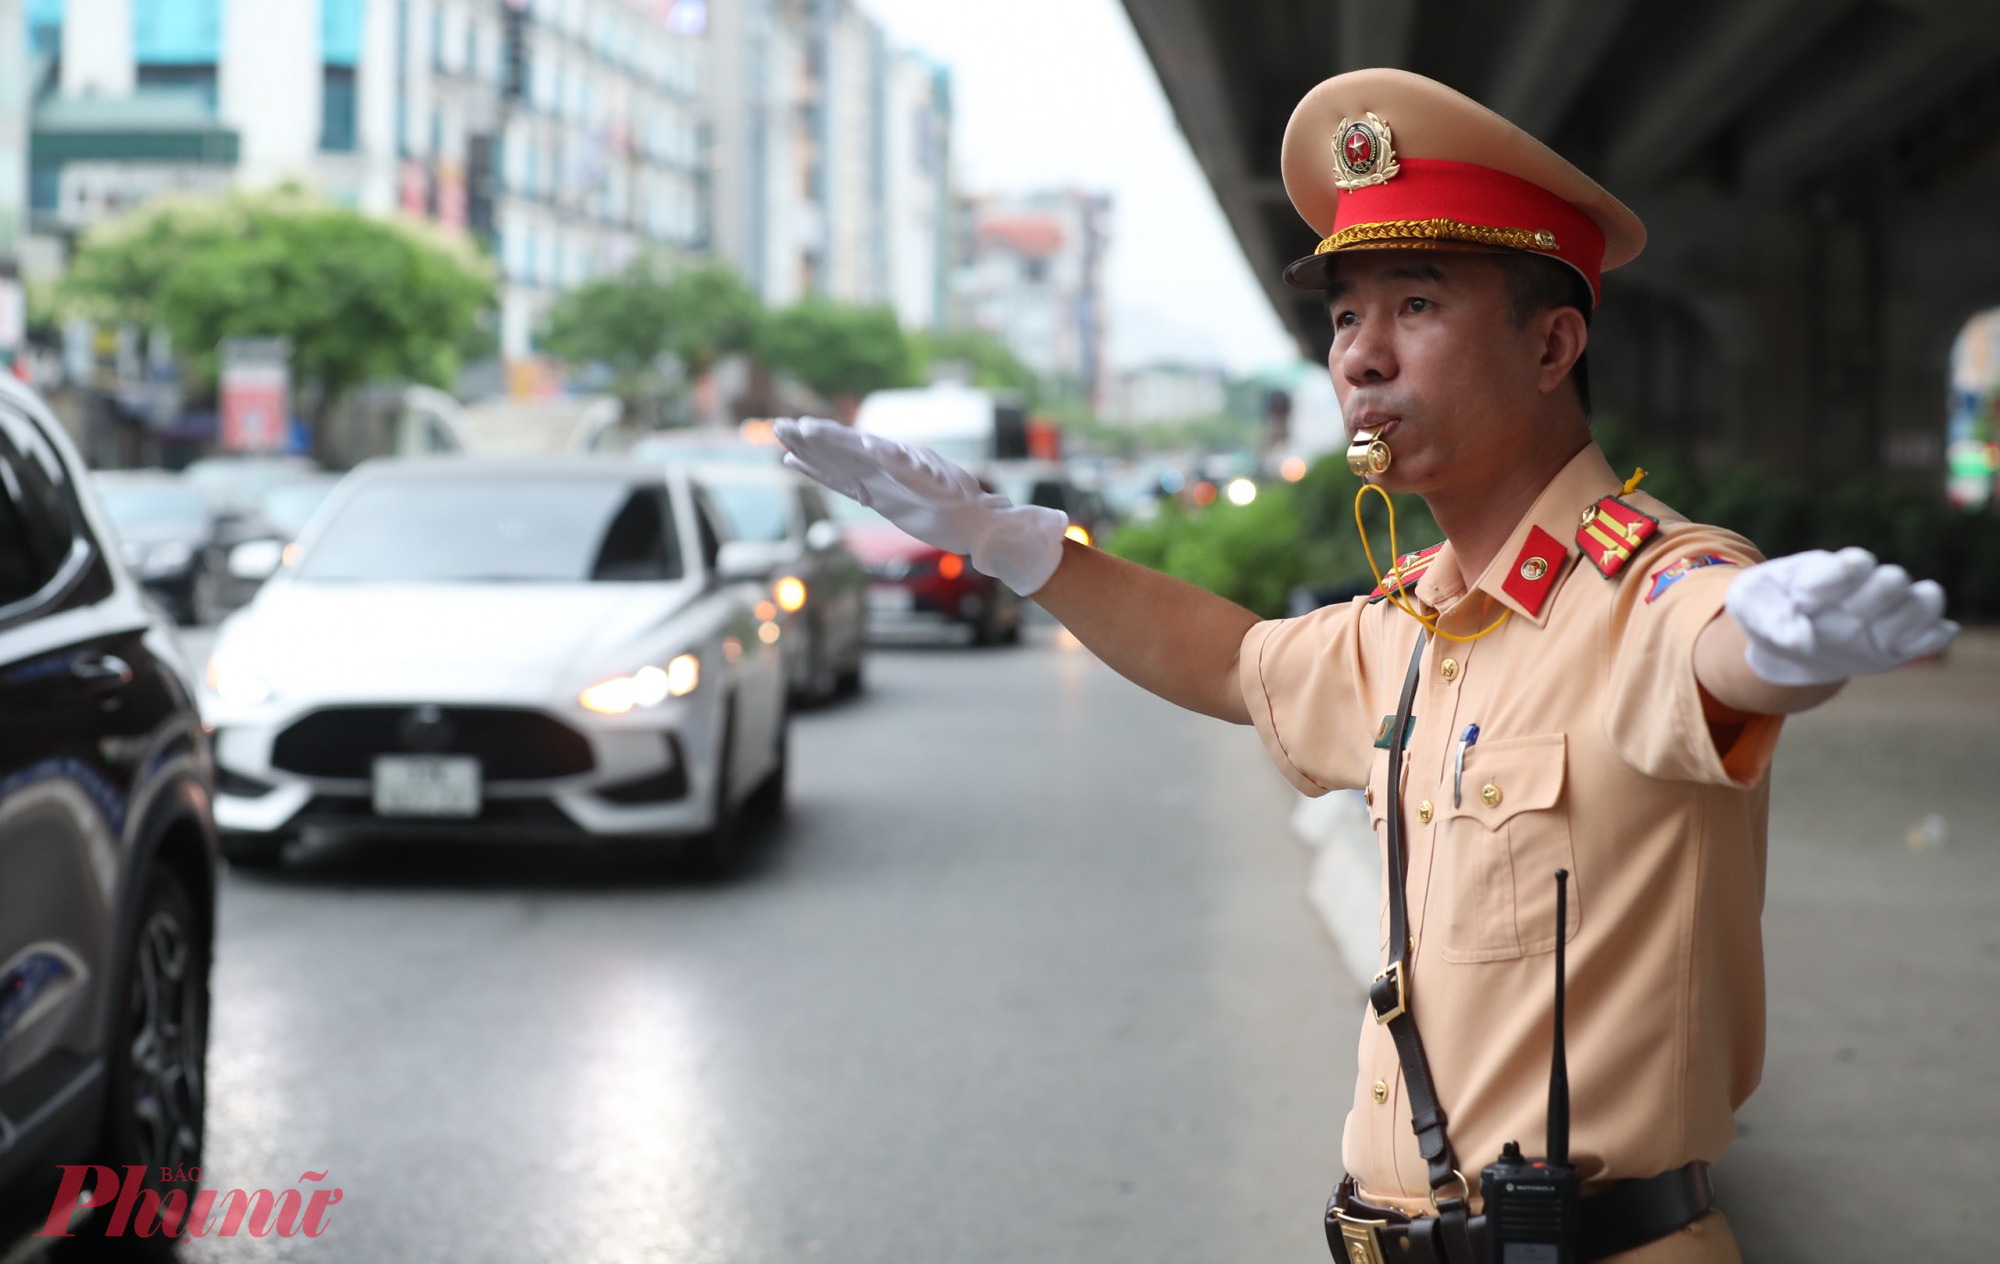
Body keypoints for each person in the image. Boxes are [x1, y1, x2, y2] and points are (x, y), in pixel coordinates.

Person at [772, 69, 1956, 1264]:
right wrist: (1016, 547)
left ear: (1552, 345)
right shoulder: (1417, 621)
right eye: (1344, 317)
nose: (1361, 358)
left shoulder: (1637, 584)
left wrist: (1777, 644)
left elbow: (1705, 640)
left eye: (1416, 305)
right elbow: (1236, 663)